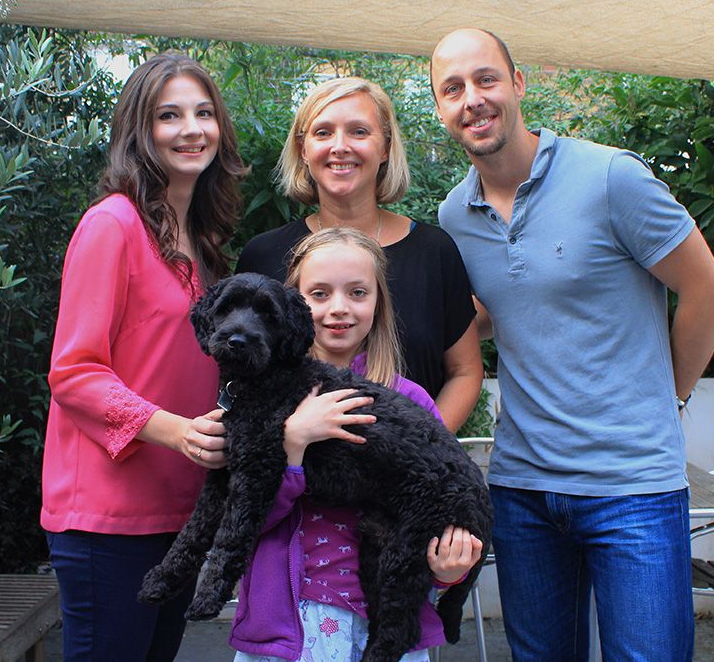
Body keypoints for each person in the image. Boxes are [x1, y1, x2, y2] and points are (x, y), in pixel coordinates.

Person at [430, 29, 714, 662]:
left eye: (485, 79)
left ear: (517, 84)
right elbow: (499, 307)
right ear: (440, 109)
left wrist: (669, 396)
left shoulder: (609, 177)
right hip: (522, 488)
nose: (472, 100)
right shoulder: (455, 216)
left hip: (632, 489)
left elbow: (707, 290)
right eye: (452, 89)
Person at [41, 52, 247, 661]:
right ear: (140, 131)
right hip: (107, 518)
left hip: (177, 510)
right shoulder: (112, 225)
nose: (192, 129)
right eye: (169, 115)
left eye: (204, 113)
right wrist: (179, 432)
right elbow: (74, 373)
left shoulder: (202, 241)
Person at [230, 227, 484, 662]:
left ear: (378, 303)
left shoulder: (410, 403)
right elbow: (245, 518)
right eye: (319, 294)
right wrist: (293, 443)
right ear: (291, 304)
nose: (339, 309)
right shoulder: (262, 399)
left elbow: (429, 513)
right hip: (289, 626)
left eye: (357, 292)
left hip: (383, 625)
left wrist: (448, 572)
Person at [236, 77, 482, 431]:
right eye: (323, 133)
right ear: (303, 149)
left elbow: (465, 371)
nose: (340, 146)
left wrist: (422, 448)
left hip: (409, 475)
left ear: (385, 147)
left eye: (358, 132)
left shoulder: (434, 252)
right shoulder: (262, 257)